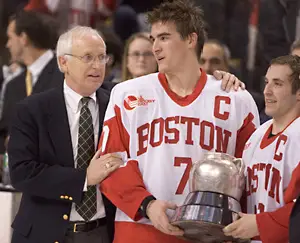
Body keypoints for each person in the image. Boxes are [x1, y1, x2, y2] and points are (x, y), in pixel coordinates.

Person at [98, 1, 260, 243]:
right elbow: (109, 163)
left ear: (190, 39)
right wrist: (147, 205)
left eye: (164, 38)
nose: (155, 48)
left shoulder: (237, 99)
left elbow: (251, 176)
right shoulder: (126, 94)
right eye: (153, 39)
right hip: (140, 230)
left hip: (212, 234)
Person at [8, 26, 123, 243]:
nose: (97, 66)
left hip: (101, 232)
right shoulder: (32, 109)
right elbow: (21, 173)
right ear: (63, 63)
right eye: (88, 57)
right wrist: (85, 178)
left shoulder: (117, 105)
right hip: (44, 232)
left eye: (101, 57)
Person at [223, 55, 300, 243]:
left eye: (278, 84)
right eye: (266, 82)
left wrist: (261, 224)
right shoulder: (256, 136)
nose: (267, 91)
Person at [0, 10, 63, 154]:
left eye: (10, 38)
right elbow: (4, 132)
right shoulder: (13, 85)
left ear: (23, 38)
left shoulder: (64, 73)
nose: (7, 45)